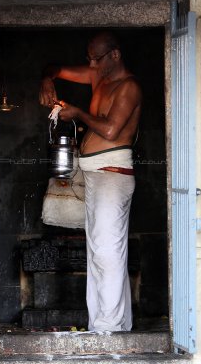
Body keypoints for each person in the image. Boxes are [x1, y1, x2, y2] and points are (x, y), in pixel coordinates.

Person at [39, 31, 142, 332]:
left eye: (97, 58)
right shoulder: (99, 75)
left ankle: (108, 327)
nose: (92, 64)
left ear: (115, 55)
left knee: (108, 252)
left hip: (113, 175)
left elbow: (110, 131)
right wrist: (48, 79)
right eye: (89, 58)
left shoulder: (129, 86)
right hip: (94, 173)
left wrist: (78, 113)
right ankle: (110, 324)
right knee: (100, 251)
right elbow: (56, 68)